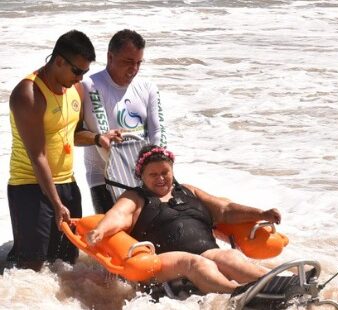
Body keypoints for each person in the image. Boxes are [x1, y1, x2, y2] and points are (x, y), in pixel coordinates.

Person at [86, 145, 282, 294]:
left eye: (165, 172)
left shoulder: (189, 190)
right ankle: (237, 293)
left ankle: (275, 285)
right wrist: (100, 230)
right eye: (153, 174)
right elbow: (117, 216)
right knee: (195, 263)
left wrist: (261, 214)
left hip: (207, 251)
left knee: (230, 257)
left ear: (172, 171)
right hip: (166, 260)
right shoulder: (134, 198)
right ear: (141, 176)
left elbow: (225, 210)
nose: (161, 178)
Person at [7, 30, 96, 271]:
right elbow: (38, 157)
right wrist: (57, 205)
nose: (80, 78)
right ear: (58, 61)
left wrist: (98, 138)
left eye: (85, 72)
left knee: (67, 262)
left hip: (67, 183)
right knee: (32, 266)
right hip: (30, 186)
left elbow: (74, 134)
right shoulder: (29, 94)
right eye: (77, 71)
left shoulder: (75, 90)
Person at [82, 29, 167, 214]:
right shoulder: (91, 85)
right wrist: (143, 173)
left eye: (138, 63)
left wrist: (153, 170)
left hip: (146, 175)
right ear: (110, 57)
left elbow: (158, 132)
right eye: (128, 62)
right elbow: (104, 140)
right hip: (105, 178)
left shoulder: (148, 87)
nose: (134, 69)